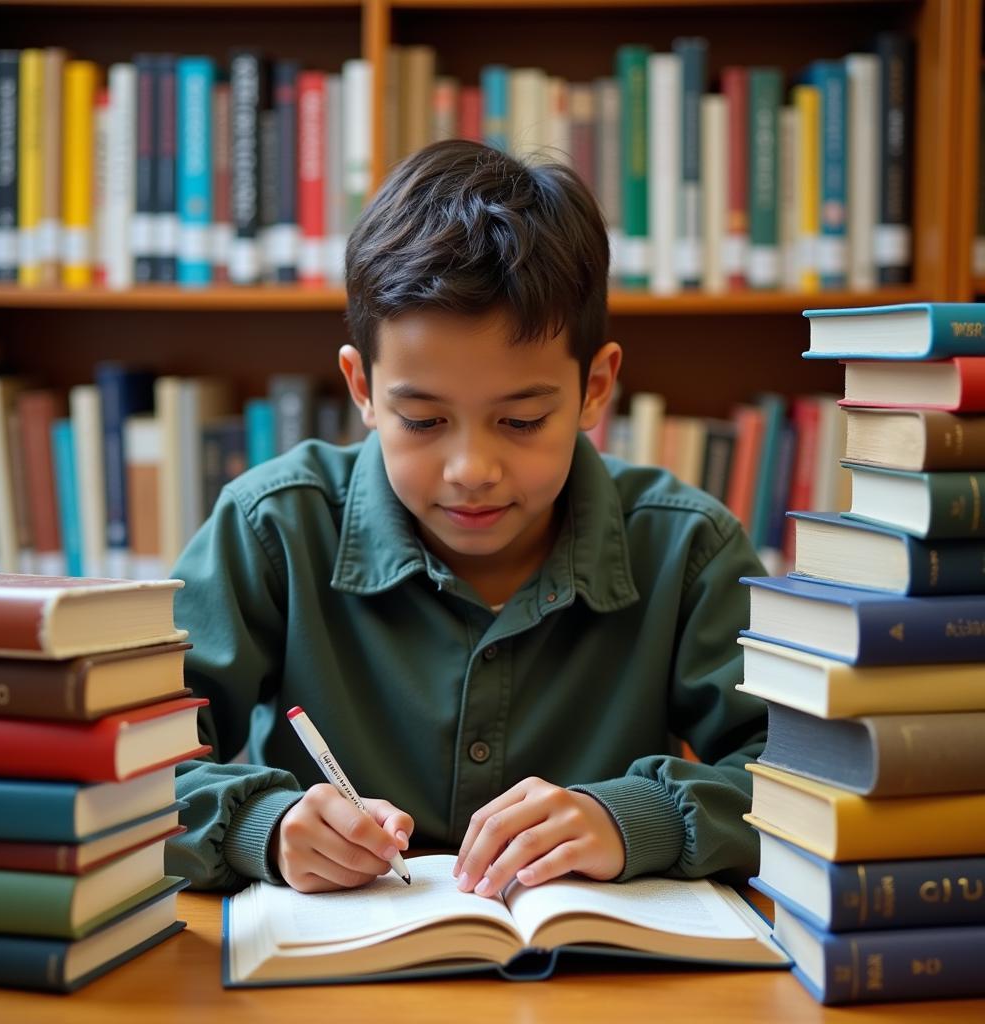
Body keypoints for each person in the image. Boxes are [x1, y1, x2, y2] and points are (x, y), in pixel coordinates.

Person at [167, 139, 767, 899]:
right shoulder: (271, 529)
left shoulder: (686, 548)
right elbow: (128, 765)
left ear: (595, 387)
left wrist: (637, 819)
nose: (471, 470)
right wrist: (264, 825)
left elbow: (800, 778)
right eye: (421, 420)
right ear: (362, 386)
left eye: (520, 422)